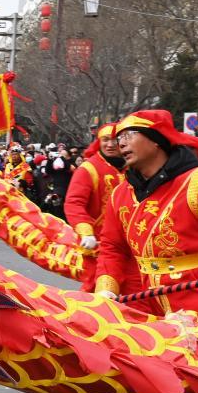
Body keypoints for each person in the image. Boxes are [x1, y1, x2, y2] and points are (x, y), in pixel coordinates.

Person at [94, 109, 198, 393]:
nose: (122, 141)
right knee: (165, 383)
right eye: (120, 135)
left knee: (187, 379)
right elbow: (112, 248)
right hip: (153, 305)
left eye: (131, 134)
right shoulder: (121, 193)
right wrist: (106, 289)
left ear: (158, 140)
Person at [64, 124, 130, 292]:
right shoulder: (88, 169)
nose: (110, 145)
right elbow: (74, 203)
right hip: (99, 246)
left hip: (132, 245)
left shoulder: (134, 167)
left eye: (115, 140)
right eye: (105, 140)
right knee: (99, 289)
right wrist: (86, 232)